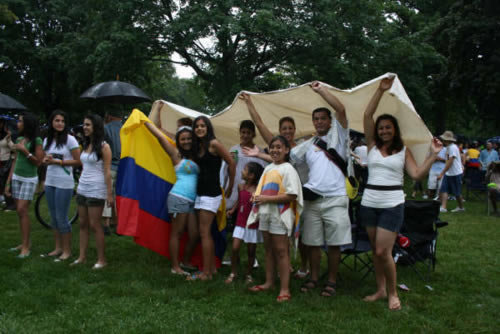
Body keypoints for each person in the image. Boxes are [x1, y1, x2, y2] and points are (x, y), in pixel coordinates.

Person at [360, 77, 442, 311]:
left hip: (392, 203)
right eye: (381, 127)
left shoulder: (402, 151)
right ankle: (380, 289)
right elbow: (367, 116)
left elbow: (416, 175)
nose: (384, 130)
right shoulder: (372, 146)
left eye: (388, 127)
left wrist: (433, 155)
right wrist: (380, 90)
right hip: (369, 202)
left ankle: (393, 293)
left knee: (382, 250)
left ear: (395, 130)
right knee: (375, 251)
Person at [240, 92, 310, 279]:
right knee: (278, 241)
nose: (287, 131)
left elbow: (282, 159)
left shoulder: (304, 147)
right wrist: (249, 102)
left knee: (300, 235)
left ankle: (302, 267)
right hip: (277, 200)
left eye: (290, 128)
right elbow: (261, 125)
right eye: (283, 128)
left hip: (297, 193)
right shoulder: (277, 150)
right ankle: (283, 270)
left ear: (295, 130)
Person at [291, 81, 351, 298]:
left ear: (330, 120)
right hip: (312, 200)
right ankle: (314, 278)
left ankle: (332, 281)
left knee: (334, 245)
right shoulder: (308, 145)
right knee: (313, 243)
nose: (319, 122)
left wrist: (321, 90)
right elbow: (286, 157)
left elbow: (342, 109)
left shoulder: (339, 137)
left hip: (335, 198)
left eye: (322, 118)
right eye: (315, 119)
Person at [247, 136, 303, 302]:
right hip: (266, 213)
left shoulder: (288, 169)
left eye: (279, 147)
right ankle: (269, 282)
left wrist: (265, 199)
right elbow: (261, 190)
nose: (275, 150)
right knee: (269, 250)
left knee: (281, 251)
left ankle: (285, 289)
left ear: (286, 150)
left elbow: (292, 195)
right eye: (272, 147)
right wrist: (256, 197)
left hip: (280, 215)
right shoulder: (268, 168)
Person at [144, 121, 200, 275]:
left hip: (192, 201)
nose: (186, 141)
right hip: (179, 197)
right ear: (178, 141)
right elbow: (161, 138)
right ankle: (175, 267)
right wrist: (146, 122)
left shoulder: (198, 154)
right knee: (177, 233)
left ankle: (185, 262)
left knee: (195, 234)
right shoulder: (176, 155)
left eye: (189, 138)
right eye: (183, 139)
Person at [188, 116, 235, 281]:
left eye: (203, 126)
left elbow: (231, 162)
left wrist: (230, 186)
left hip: (211, 194)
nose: (200, 129)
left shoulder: (214, 144)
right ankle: (212, 269)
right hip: (201, 193)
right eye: (197, 126)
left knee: (204, 233)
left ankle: (206, 273)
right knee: (205, 233)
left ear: (208, 128)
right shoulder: (198, 146)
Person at [72, 114, 112, 269]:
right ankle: (82, 257)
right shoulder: (85, 144)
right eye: (84, 124)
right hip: (82, 188)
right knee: (82, 223)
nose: (85, 127)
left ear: (96, 126)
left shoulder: (104, 147)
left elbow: (107, 171)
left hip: (97, 190)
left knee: (95, 224)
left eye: (88, 124)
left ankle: (102, 259)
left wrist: (109, 194)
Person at [41, 110, 81, 261]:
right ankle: (57, 248)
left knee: (62, 217)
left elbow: (78, 161)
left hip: (64, 182)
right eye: (57, 120)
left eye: (62, 121)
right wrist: (46, 161)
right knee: (53, 217)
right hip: (51, 181)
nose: (60, 123)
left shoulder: (70, 140)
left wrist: (59, 162)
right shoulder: (47, 140)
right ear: (52, 122)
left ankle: (67, 251)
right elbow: (46, 159)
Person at [4, 113, 44, 258]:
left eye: (20, 121)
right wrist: (8, 182)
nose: (17, 123)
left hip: (29, 179)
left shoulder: (37, 140)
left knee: (22, 210)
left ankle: (26, 247)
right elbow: (14, 162)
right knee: (20, 213)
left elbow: (39, 162)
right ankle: (23, 242)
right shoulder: (20, 139)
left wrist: (26, 151)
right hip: (16, 178)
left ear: (27, 123)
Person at [224, 162, 264, 284]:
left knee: (251, 251)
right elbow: (239, 200)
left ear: (251, 175)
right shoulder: (240, 186)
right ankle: (233, 272)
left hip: (252, 224)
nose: (242, 171)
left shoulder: (258, 190)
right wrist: (233, 209)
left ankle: (249, 274)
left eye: (245, 170)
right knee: (235, 248)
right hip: (240, 222)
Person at [102, 110, 122, 235]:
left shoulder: (105, 128)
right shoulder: (126, 128)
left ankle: (106, 224)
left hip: (110, 166)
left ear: (109, 116)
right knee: (119, 196)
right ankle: (118, 223)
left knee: (108, 194)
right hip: (124, 168)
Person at [438, 130, 465, 213]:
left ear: (447, 140)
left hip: (456, 173)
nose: (442, 141)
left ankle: (461, 207)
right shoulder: (449, 147)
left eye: (444, 139)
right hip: (449, 173)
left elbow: (450, 161)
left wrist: (442, 173)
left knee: (457, 193)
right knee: (444, 189)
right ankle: (443, 207)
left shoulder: (452, 147)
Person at [0, 117, 15, 210]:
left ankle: (10, 204)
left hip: (5, 162)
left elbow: (13, 148)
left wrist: (9, 139)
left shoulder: (7, 136)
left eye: (1, 123)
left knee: (6, 182)